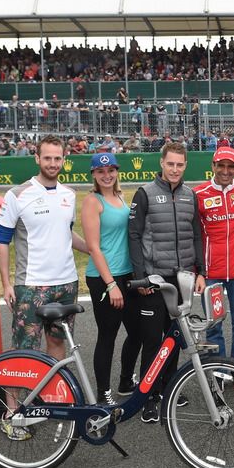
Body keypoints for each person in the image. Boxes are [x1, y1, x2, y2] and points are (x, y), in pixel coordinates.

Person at [0, 135, 88, 441]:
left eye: (57, 158)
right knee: (24, 351)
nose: (52, 163)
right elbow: (2, 241)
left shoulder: (70, 194)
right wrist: (7, 283)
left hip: (66, 283)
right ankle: (11, 412)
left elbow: (65, 235)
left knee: (57, 346)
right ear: (37, 158)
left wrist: (95, 251)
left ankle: (53, 403)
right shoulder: (18, 194)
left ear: (64, 160)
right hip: (31, 285)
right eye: (47, 158)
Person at [128, 142, 206, 423]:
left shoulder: (190, 195)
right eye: (170, 164)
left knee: (174, 339)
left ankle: (169, 388)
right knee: (152, 342)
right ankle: (147, 396)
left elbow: (197, 235)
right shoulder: (144, 193)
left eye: (180, 165)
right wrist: (141, 278)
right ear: (162, 163)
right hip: (154, 279)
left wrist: (201, 272)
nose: (175, 169)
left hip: (183, 279)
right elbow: (134, 236)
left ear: (185, 166)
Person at [81, 152, 143, 405]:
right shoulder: (92, 202)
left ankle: (126, 380)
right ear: (94, 175)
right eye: (101, 171)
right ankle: (103, 393)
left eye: (111, 170)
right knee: (108, 335)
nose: (106, 175)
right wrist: (111, 284)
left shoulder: (119, 197)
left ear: (117, 171)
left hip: (126, 275)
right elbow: (94, 247)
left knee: (138, 332)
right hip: (104, 279)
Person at [194, 147, 234, 390]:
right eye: (221, 165)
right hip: (212, 272)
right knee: (214, 323)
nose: (226, 171)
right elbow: (193, 236)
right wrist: (198, 270)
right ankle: (218, 371)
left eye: (231, 166)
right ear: (213, 165)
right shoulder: (199, 193)